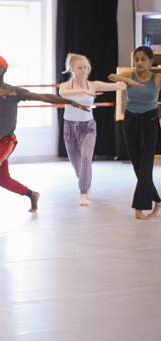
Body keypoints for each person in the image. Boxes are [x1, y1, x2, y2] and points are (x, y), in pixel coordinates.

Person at [0, 55, 89, 221]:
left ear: (4, 70)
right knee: (3, 180)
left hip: (6, 140)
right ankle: (32, 195)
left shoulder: (14, 91)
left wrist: (70, 102)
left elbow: (43, 97)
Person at [59, 53, 127, 206]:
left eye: (86, 67)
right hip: (69, 127)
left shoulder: (93, 84)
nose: (84, 70)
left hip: (88, 127)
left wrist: (128, 79)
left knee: (86, 159)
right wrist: (83, 92)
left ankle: (83, 193)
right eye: (80, 68)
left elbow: (119, 86)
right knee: (76, 162)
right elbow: (63, 94)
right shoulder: (65, 86)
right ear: (72, 69)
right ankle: (87, 184)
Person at [108, 46, 161, 220]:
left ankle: (139, 208)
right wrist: (130, 82)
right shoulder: (130, 75)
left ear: (151, 61)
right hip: (131, 122)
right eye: (136, 59)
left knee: (146, 165)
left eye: (143, 59)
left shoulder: (157, 78)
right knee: (138, 165)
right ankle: (157, 199)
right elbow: (111, 76)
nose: (139, 62)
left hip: (151, 123)